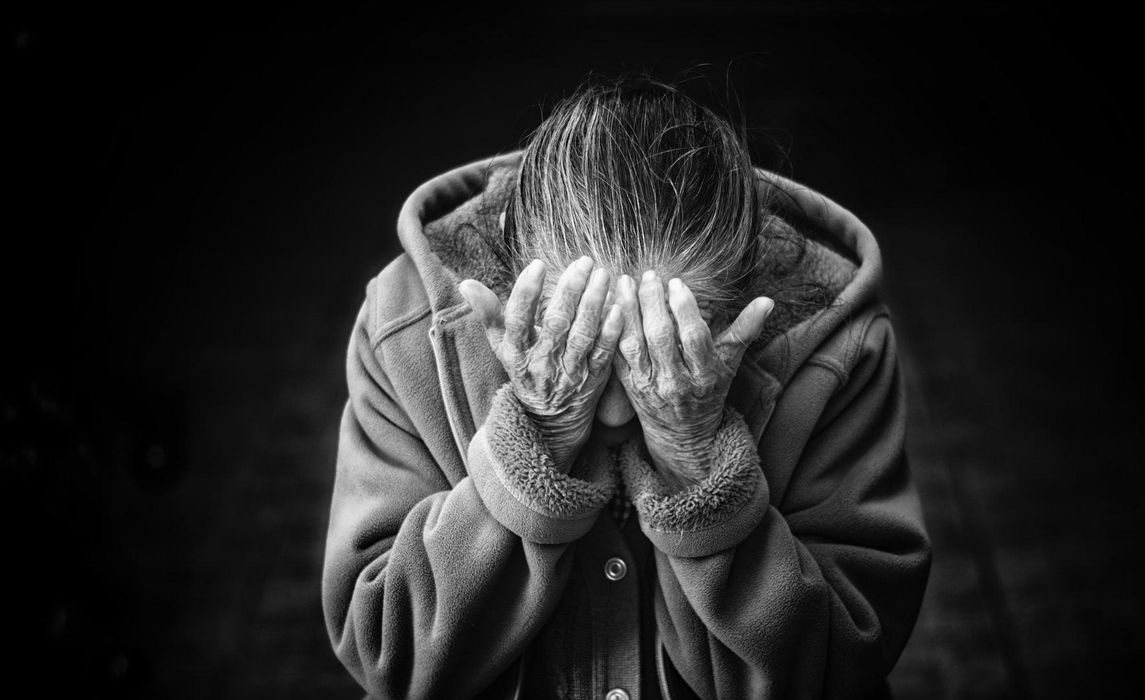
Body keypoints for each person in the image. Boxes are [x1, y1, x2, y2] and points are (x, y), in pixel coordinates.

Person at [322, 77, 931, 699]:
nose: (614, 408)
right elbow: (387, 655)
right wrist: (533, 439)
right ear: (508, 277)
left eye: (667, 346)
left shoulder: (843, 347)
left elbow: (841, 668)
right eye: (576, 346)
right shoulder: (403, 327)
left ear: (752, 303)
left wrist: (698, 462)